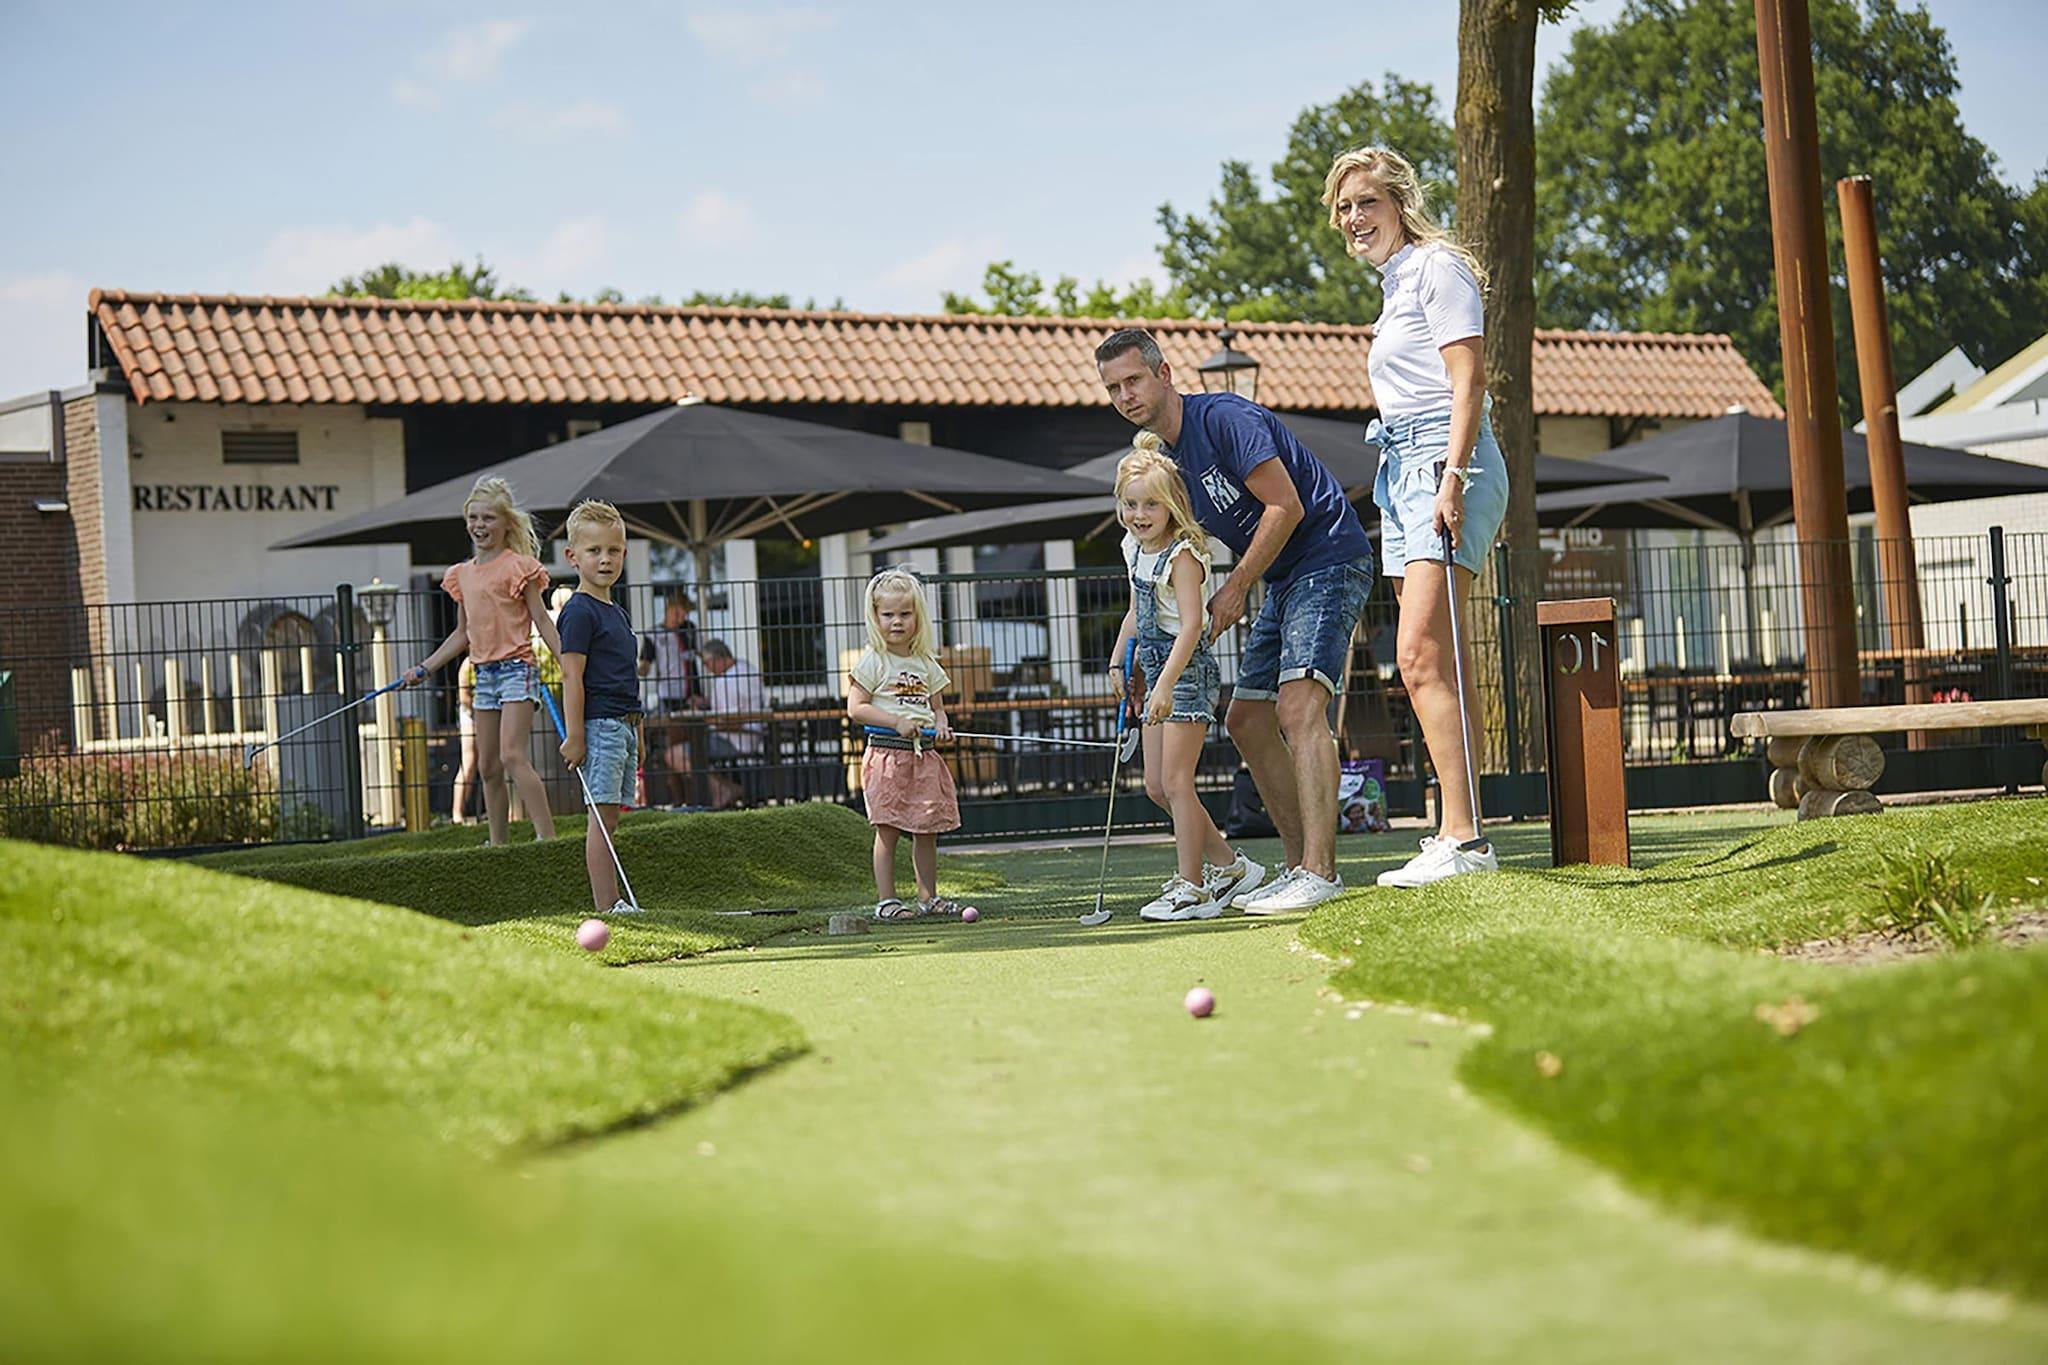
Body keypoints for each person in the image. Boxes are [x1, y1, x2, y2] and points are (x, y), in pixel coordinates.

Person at [1095, 328, 1374, 914]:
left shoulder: (1225, 418)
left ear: (1164, 374)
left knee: (1298, 709)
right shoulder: (1167, 462)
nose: (1125, 396)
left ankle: (1321, 872)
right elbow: (1167, 570)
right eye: (1113, 388)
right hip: (1282, 577)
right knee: (1246, 719)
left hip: (1328, 557)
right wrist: (1145, 651)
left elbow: (1286, 506)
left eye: (1133, 380)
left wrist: (1238, 585)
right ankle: (1297, 867)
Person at [1325, 146, 1509, 888]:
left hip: (1442, 460)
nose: (1354, 217)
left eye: (1367, 202)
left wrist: (1452, 479)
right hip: (1401, 465)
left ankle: (1465, 839)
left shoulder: (1438, 267)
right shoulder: (1395, 283)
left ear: (1400, 202)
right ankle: (1457, 831)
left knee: (1420, 657)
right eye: (1344, 208)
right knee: (1439, 661)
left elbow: (1470, 380)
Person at [1112, 438, 1267, 921]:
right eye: (1131, 504)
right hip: (1155, 669)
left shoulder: (1183, 556)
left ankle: (1192, 887)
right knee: (1157, 787)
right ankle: (1231, 868)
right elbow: (1137, 612)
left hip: (1186, 672)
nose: (1139, 515)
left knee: (1178, 782)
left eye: (1150, 504)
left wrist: (1164, 684)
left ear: (1172, 505)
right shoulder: (1132, 548)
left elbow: (1192, 625)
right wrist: (1118, 661)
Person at [404, 474, 563, 846]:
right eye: (473, 518)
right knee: (488, 765)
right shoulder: (461, 575)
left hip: (517, 670)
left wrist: (567, 663)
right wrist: (426, 667)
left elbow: (541, 620)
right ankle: (498, 844)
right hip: (484, 675)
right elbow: (462, 633)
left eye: (488, 518)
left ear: (507, 523)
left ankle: (548, 838)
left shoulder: (518, 567)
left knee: (512, 755)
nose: (479, 525)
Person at [844, 568, 961, 921]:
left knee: (927, 829)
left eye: (905, 614)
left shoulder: (926, 663)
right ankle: (887, 901)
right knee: (889, 829)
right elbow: (856, 708)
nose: (897, 621)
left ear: (918, 616)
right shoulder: (873, 661)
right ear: (875, 617)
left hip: (924, 757)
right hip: (887, 756)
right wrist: (896, 721)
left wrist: (942, 726)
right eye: (888, 614)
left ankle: (929, 898)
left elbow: (937, 709)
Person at [553, 500, 643, 914]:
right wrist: (575, 735)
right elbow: (571, 676)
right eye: (594, 551)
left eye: (613, 550)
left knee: (612, 817)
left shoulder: (617, 613)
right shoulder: (578, 612)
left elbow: (627, 677)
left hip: (623, 724)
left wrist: (638, 729)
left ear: (624, 553)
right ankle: (607, 905)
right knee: (601, 820)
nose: (605, 559)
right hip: (600, 726)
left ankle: (614, 902)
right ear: (573, 556)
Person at [637, 592, 701, 803]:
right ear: (669, 608)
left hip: (691, 697)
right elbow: (645, 663)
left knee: (694, 747)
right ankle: (678, 798)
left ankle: (695, 796)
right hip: (668, 698)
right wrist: (638, 669)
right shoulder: (654, 635)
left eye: (685, 614)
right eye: (678, 613)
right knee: (673, 747)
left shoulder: (689, 630)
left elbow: (697, 658)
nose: (681, 618)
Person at [693, 638, 766, 810]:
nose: (707, 669)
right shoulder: (747, 669)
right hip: (754, 735)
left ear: (718, 659)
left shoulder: (727, 681)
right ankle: (725, 789)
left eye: (707, 664)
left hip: (734, 739)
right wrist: (707, 704)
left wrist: (706, 719)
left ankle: (726, 791)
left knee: (680, 754)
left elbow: (730, 720)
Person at [450, 659, 477, 824]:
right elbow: (464, 697)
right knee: (468, 763)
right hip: (471, 714)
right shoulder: (467, 665)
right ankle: (457, 813)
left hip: (486, 712)